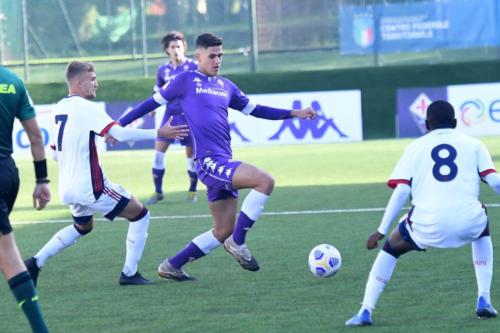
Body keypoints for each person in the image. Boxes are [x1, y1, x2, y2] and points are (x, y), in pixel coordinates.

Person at [119, 33, 317, 281]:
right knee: (265, 181)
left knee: (223, 230)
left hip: (223, 159)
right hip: (210, 162)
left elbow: (257, 110)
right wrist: (118, 126)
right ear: (198, 56)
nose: (217, 60)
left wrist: (294, 113)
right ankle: (239, 243)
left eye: (220, 56)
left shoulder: (226, 86)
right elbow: (150, 103)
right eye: (212, 56)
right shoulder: (185, 80)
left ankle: (172, 265)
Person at [23, 61, 188, 287]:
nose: (96, 84)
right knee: (140, 214)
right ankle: (129, 274)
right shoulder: (87, 108)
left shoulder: (60, 108)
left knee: (83, 226)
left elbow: (54, 153)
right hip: (91, 186)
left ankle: (34, 262)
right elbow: (118, 133)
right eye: (92, 80)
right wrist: (160, 132)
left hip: (67, 187)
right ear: (79, 83)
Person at [345, 100, 499, 326]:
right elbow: (495, 182)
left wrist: (380, 230)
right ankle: (484, 298)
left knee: (391, 248)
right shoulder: (475, 144)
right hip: (468, 223)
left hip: (427, 226)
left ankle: (365, 311)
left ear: (426, 124)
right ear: (455, 123)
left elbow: (401, 191)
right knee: (481, 221)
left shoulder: (414, 147)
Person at [0, 66, 50, 332]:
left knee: (8, 257)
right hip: (7, 174)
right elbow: (35, 136)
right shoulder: (12, 81)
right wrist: (42, 180)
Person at [145, 31, 199, 205]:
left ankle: (192, 191)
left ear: (184, 48)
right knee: (158, 155)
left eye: (179, 46)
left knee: (190, 157)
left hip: (189, 117)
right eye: (172, 47)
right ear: (167, 50)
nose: (176, 50)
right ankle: (158, 191)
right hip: (170, 116)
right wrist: (152, 108)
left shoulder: (194, 66)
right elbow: (158, 90)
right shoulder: (163, 70)